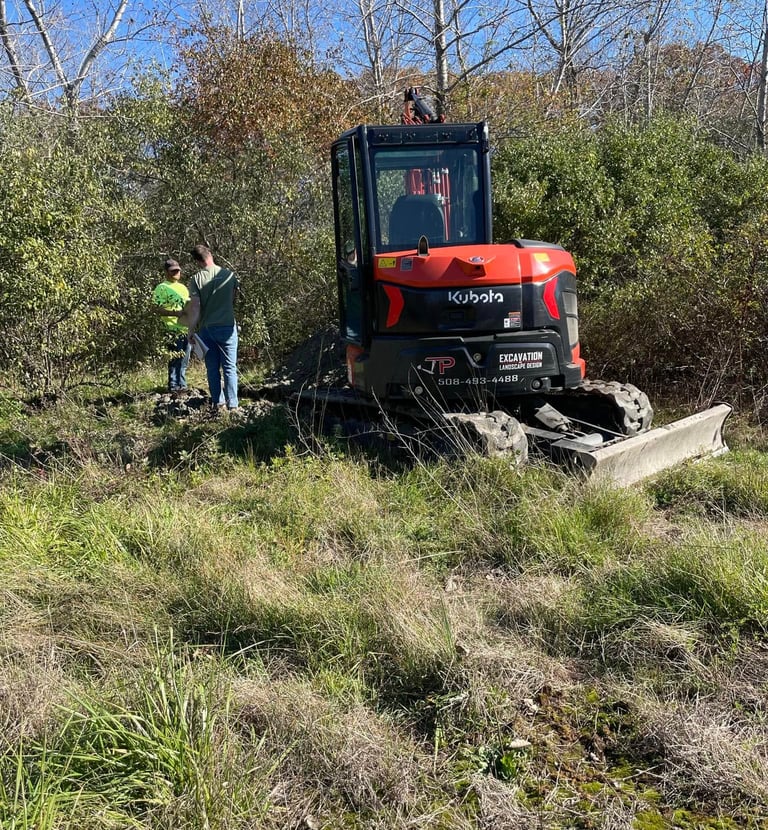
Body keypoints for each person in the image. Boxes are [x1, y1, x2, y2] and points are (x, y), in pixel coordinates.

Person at [184, 244, 240, 410]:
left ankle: (218, 403)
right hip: (228, 326)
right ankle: (233, 405)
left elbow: (195, 307)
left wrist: (191, 330)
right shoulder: (229, 275)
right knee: (230, 367)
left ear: (198, 261)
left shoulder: (196, 279)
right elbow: (232, 299)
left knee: (212, 369)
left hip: (207, 329)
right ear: (210, 255)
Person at [151, 258, 190, 392]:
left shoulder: (183, 288)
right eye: (173, 271)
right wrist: (174, 313)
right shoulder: (162, 288)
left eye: (177, 271)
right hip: (171, 329)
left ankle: (182, 385)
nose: (176, 273)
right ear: (167, 272)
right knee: (175, 359)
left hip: (186, 328)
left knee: (185, 359)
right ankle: (173, 386)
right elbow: (156, 308)